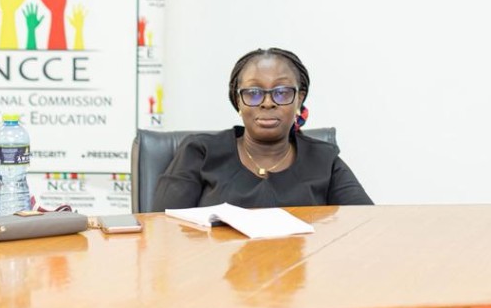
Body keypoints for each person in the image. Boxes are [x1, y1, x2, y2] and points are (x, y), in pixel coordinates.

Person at [153, 47, 372, 209]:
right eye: (253, 93)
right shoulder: (200, 152)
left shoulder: (323, 160)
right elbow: (160, 230)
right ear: (238, 101)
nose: (268, 103)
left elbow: (367, 224)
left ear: (299, 99)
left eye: (282, 92)